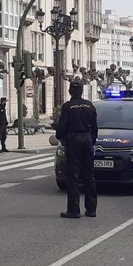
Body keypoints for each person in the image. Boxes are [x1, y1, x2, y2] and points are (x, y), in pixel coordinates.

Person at [55, 81, 98, 219]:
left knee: (73, 175)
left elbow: (62, 126)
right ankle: (91, 209)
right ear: (81, 91)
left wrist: (60, 137)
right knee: (89, 175)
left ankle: (74, 210)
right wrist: (92, 140)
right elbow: (95, 126)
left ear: (70, 91)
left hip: (74, 140)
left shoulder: (68, 106)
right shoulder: (90, 105)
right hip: (87, 139)